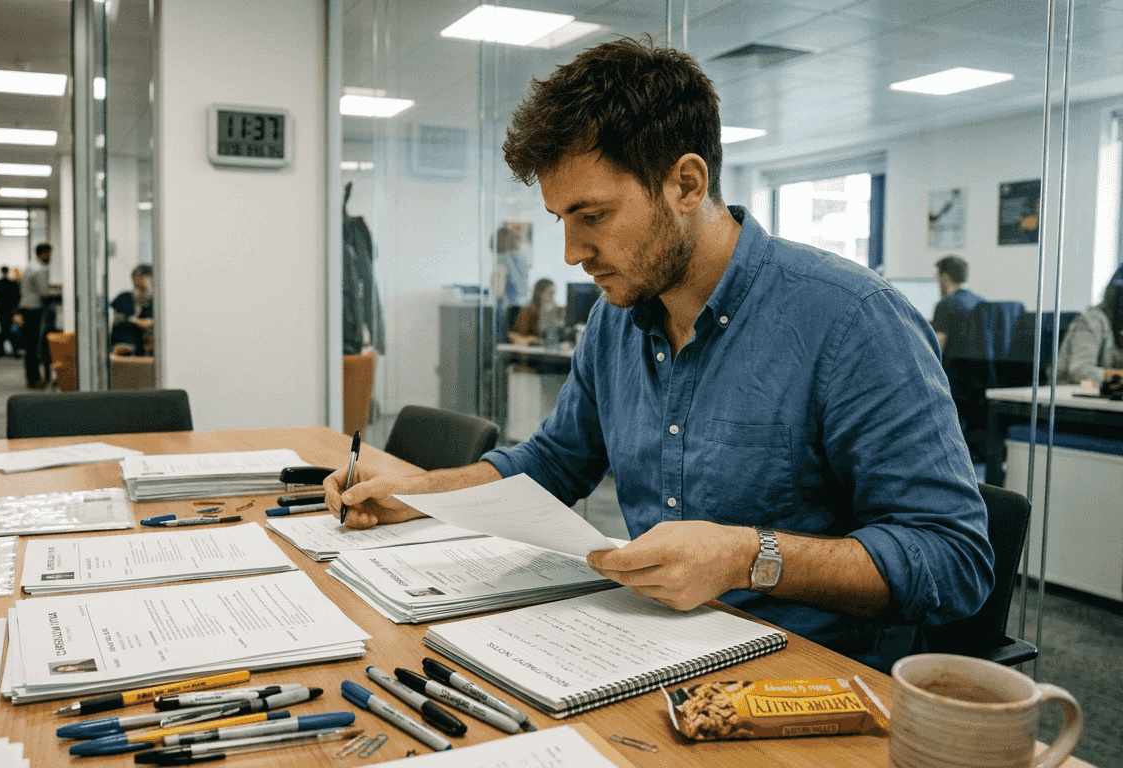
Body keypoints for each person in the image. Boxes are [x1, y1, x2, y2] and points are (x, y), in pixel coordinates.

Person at [324, 37, 992, 673]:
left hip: (807, 678)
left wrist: (747, 556)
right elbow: (553, 463)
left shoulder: (851, 320)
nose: (571, 253)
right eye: (562, 221)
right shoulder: (616, 319)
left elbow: (954, 559)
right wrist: (422, 494)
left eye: (593, 216)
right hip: (648, 648)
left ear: (688, 185)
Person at [1058, 266, 1123, 386]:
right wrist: (1117, 376)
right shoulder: (1093, 321)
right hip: (1067, 391)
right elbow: (1079, 370)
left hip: (1104, 393)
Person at [930, 255, 985, 354]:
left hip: (953, 362)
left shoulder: (945, 305)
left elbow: (937, 347)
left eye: (938, 276)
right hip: (980, 362)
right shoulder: (981, 301)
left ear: (945, 277)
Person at [18, 243, 54, 388]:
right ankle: (35, 379)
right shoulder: (40, 269)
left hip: (26, 308)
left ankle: (31, 378)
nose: (50, 257)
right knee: (34, 346)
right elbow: (44, 292)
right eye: (49, 253)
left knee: (30, 346)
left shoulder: (30, 266)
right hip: (34, 309)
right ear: (43, 253)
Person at [110, 264, 154, 356]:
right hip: (122, 349)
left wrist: (134, 320)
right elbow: (113, 319)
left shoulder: (155, 304)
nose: (137, 292)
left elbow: (152, 323)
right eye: (135, 287)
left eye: (142, 289)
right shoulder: (124, 299)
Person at [509, 278, 565, 346]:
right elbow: (516, 335)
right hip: (533, 350)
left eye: (553, 293)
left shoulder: (558, 311)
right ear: (539, 293)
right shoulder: (528, 310)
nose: (552, 296)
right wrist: (532, 339)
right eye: (549, 293)